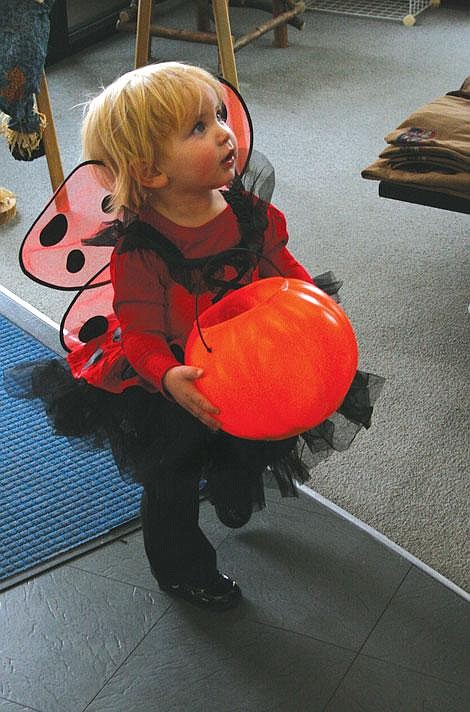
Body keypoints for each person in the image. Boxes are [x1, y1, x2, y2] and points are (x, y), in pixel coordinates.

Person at [11, 62, 384, 611]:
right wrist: (166, 376)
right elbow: (139, 333)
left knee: (252, 438)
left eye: (218, 115)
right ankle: (182, 567)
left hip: (246, 364)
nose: (223, 132)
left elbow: (285, 273)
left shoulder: (249, 215)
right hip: (171, 378)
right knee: (173, 475)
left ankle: (233, 487)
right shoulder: (141, 251)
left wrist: (318, 310)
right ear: (152, 172)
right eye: (198, 128)